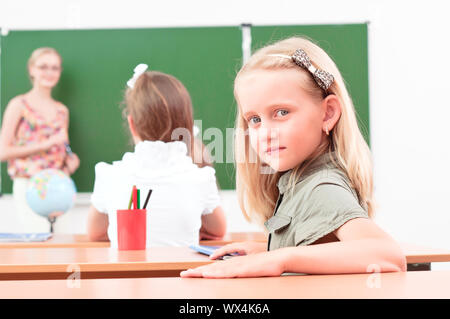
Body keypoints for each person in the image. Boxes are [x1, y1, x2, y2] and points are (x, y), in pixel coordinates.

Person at [180, 37, 406, 278]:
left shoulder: (322, 187)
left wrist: (280, 258)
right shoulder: (299, 180)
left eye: (281, 113)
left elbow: (387, 254)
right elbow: (322, 252)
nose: (265, 133)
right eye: (254, 120)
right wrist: (267, 252)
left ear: (328, 113)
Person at [87, 65, 226, 247]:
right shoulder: (201, 177)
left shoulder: (110, 175)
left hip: (128, 276)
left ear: (132, 124)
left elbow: (95, 233)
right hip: (182, 275)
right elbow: (218, 230)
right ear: (188, 124)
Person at [0, 47, 80, 232]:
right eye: (43, 66)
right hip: (30, 185)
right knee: (36, 242)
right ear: (31, 69)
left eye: (55, 68)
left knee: (63, 245)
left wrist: (70, 163)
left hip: (59, 185)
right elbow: (2, 151)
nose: (49, 72)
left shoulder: (62, 111)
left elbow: (62, 150)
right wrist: (45, 144)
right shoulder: (19, 105)